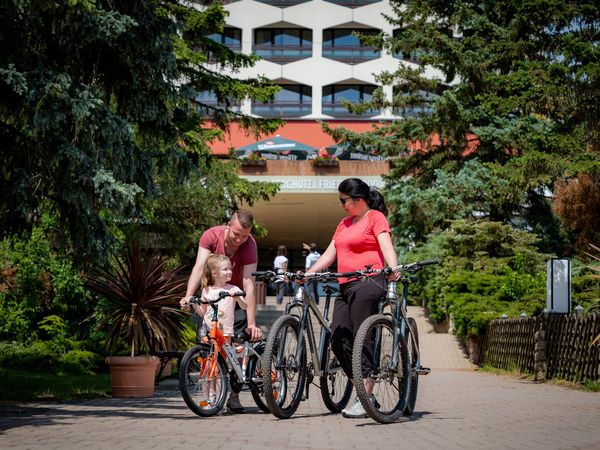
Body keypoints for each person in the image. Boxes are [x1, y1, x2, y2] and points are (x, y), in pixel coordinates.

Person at [303, 178, 400, 419]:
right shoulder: (343, 224)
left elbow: (385, 243)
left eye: (343, 200)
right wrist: (307, 274)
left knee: (361, 334)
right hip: (346, 285)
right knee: (337, 338)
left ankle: (365, 395)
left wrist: (393, 267)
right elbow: (329, 254)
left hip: (371, 282)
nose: (341, 205)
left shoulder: (375, 218)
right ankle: (364, 391)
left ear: (358, 200)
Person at [180, 209, 261, 413]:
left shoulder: (249, 244)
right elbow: (199, 267)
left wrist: (251, 323)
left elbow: (249, 282)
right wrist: (189, 295)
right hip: (213, 294)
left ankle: (233, 396)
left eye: (245, 235)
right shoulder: (211, 236)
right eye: (236, 234)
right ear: (228, 225)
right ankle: (213, 395)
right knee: (210, 346)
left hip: (235, 295)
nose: (240, 239)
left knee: (235, 348)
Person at [193, 254, 247, 342]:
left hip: (225, 331)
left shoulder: (233, 289)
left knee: (224, 354)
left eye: (230, 269)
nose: (229, 271)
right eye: (225, 269)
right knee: (208, 354)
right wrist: (194, 305)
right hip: (208, 330)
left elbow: (244, 306)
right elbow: (203, 313)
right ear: (214, 273)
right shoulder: (206, 290)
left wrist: (238, 298)